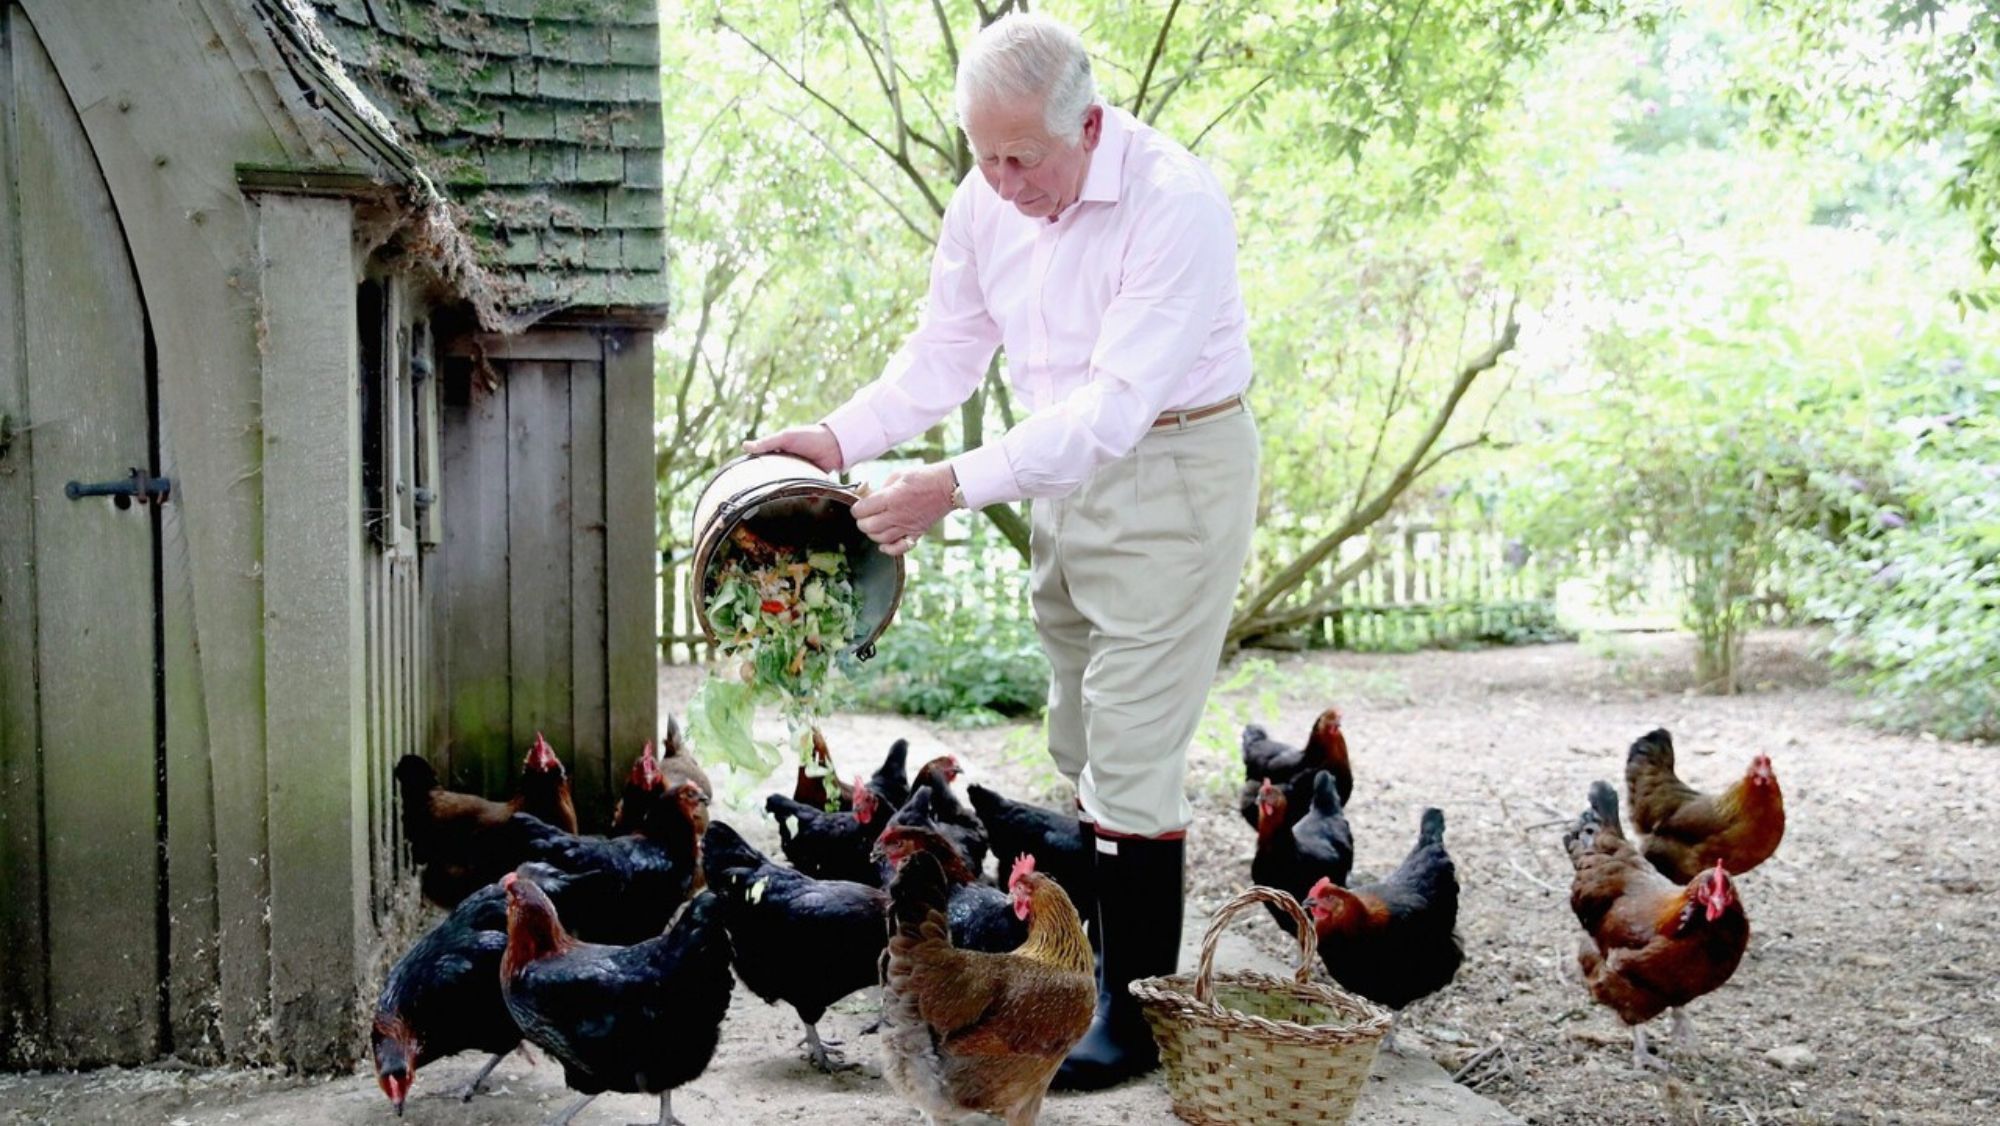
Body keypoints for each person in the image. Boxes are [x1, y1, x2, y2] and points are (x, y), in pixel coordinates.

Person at [744, 12, 1257, 1089]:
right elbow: (944, 350)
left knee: (1129, 743)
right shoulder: (987, 198)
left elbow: (1114, 409)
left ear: (1090, 124)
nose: (1002, 183)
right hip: (1056, 470)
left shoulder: (1174, 203)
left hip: (1171, 466)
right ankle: (1090, 969)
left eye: (1022, 158)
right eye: (983, 156)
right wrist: (838, 438)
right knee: (1078, 734)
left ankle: (1131, 1019)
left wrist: (947, 486)